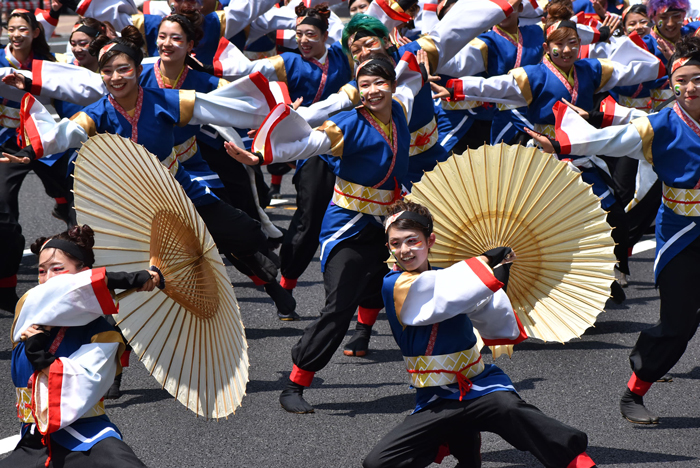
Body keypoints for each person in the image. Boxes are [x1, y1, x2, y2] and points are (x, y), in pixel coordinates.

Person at [227, 50, 427, 413]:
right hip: (348, 225)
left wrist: (418, 58)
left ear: (392, 85)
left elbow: (413, 80)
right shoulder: (348, 123)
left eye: (380, 82)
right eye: (364, 85)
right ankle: (296, 382)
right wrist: (262, 156)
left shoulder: (399, 108)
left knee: (393, 288)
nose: (372, 91)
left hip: (386, 224)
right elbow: (310, 143)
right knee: (338, 305)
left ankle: (367, 334)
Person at [436, 0, 665, 303]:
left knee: (610, 211)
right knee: (533, 222)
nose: (568, 49)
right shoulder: (532, 76)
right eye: (560, 44)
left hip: (580, 153)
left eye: (573, 42)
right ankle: (510, 283)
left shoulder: (591, 70)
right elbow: (493, 86)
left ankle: (607, 272)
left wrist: (658, 61)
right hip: (541, 156)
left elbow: (633, 71)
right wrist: (454, 87)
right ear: (547, 46)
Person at [526, 34, 700, 425]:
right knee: (679, 322)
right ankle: (636, 387)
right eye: (681, 80)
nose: (689, 88)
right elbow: (611, 140)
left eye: (698, 79)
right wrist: (560, 147)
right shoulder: (661, 125)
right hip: (682, 234)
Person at [363, 200, 597, 468]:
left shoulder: (454, 279)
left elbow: (480, 307)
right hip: (436, 399)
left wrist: (497, 284)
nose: (404, 250)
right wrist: (485, 264)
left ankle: (580, 464)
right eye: (395, 243)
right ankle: (464, 443)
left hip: (478, 387)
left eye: (412, 241)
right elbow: (446, 295)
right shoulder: (395, 285)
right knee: (377, 464)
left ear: (431, 240)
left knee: (516, 412)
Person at [2, 225, 158, 467]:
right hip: (33, 441)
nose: (48, 279)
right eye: (41, 271)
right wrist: (133, 278)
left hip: (87, 437)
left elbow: (82, 381)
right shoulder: (28, 308)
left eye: (58, 269)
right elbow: (61, 293)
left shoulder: (103, 335)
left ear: (84, 273)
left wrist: (39, 355)